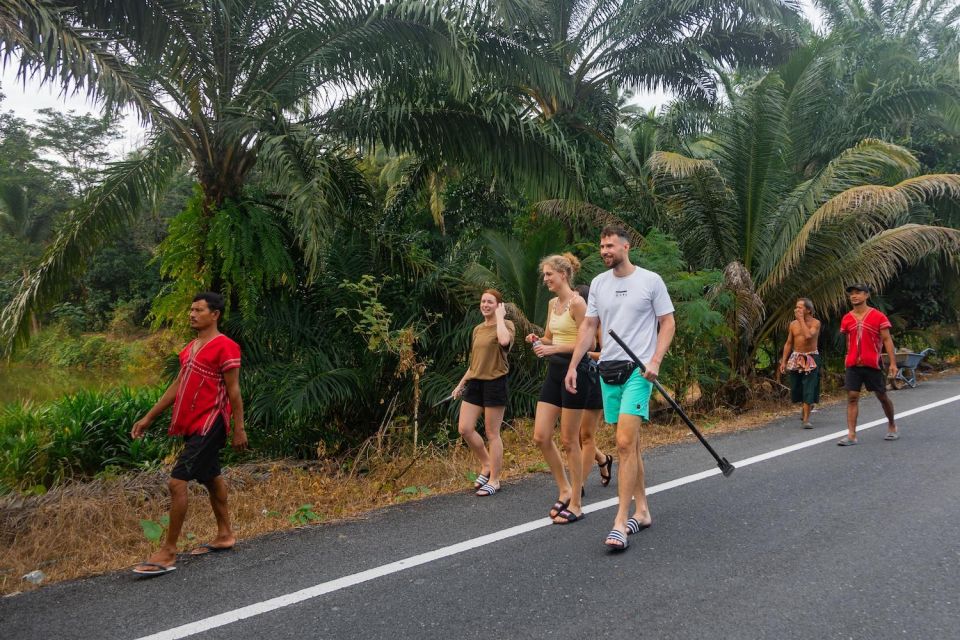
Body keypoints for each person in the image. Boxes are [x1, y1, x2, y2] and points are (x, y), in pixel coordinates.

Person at [565, 225, 675, 551]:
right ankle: (642, 511)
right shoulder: (599, 284)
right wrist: (573, 365)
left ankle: (619, 522)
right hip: (607, 370)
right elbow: (589, 327)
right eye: (602, 246)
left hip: (638, 372)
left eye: (610, 245)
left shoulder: (650, 281)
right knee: (632, 446)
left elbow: (667, 322)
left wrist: (655, 360)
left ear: (626, 247)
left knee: (624, 443)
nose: (604, 251)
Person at [130, 292, 247, 575]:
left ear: (214, 314)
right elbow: (177, 387)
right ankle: (225, 534)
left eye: (198, 310)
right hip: (192, 423)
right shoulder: (190, 348)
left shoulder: (226, 347)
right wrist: (148, 417)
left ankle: (168, 552)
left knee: (177, 482)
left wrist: (239, 428)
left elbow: (234, 390)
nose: (192, 314)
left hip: (211, 422)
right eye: (191, 310)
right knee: (209, 476)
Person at [524, 255, 603, 524]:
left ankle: (577, 503)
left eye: (549, 274)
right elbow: (549, 337)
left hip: (576, 373)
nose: (545, 279)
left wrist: (554, 348)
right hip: (555, 371)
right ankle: (564, 488)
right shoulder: (552, 303)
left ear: (563, 275)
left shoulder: (578, 303)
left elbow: (590, 344)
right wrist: (538, 340)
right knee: (541, 436)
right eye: (544, 275)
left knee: (570, 441)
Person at [452, 289, 515, 496]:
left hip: (495, 382)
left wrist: (500, 317)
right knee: (465, 428)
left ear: (498, 305)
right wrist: (461, 384)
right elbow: (474, 363)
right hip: (476, 383)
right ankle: (486, 464)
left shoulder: (506, 326)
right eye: (483, 301)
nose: (485, 305)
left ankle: (495, 480)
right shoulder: (477, 329)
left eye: (490, 302)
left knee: (492, 433)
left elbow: (504, 342)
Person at [837, 283, 900, 446]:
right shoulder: (846, 318)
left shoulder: (878, 316)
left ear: (866, 295)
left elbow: (887, 339)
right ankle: (851, 434)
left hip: (872, 364)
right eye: (851, 293)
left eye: (858, 293)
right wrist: (847, 357)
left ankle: (892, 424)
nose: (854, 296)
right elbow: (848, 341)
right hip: (853, 365)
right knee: (852, 397)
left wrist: (893, 363)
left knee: (882, 396)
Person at [575, 284, 613, 491]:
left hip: (596, 379)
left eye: (577, 298)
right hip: (577, 380)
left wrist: (579, 352)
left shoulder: (599, 324)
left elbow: (605, 354)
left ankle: (578, 484)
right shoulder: (576, 324)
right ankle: (603, 459)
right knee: (578, 435)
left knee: (586, 435)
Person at [778, 298, 822, 428]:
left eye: (800, 308)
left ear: (808, 310)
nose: (797, 310)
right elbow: (789, 343)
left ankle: (806, 419)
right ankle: (806, 404)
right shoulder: (793, 324)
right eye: (796, 307)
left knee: (809, 387)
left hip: (811, 358)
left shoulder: (816, 323)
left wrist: (802, 320)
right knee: (797, 387)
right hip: (796, 357)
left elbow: (808, 336)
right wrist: (784, 361)